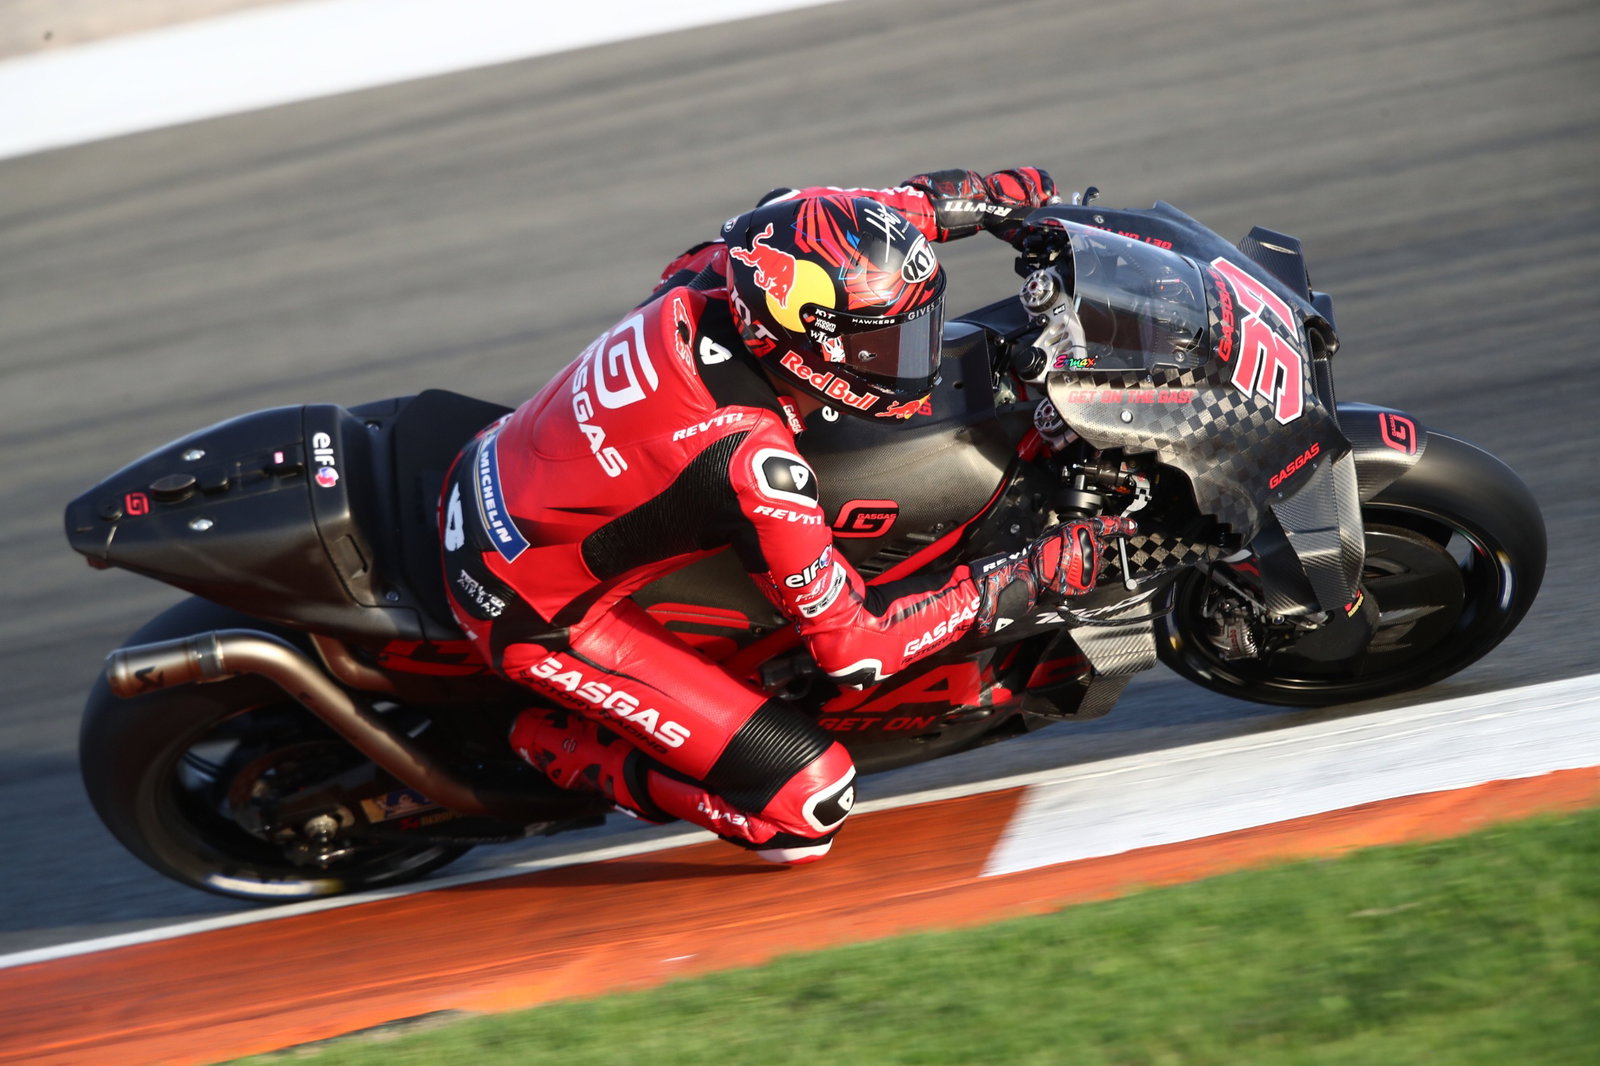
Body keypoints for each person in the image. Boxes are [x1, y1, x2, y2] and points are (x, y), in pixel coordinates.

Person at [439, 168, 1134, 864]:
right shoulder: (751, 459)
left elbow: (905, 208)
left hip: (497, 461)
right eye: (880, 345)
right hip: (527, 605)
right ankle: (559, 749)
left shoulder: (730, 265)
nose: (911, 360)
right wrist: (1040, 569)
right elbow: (857, 648)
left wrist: (1016, 197)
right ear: (810, 338)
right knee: (807, 807)